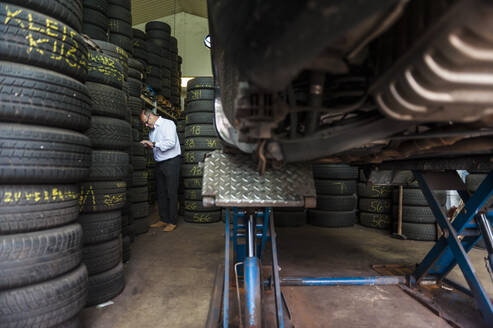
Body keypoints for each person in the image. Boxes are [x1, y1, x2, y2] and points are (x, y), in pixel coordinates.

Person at [140, 109, 181, 232]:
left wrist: (153, 144)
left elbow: (170, 143)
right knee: (161, 193)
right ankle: (163, 219)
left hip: (171, 162)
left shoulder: (168, 124)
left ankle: (172, 221)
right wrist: (150, 146)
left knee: (171, 192)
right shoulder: (152, 131)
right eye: (145, 124)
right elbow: (156, 146)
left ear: (151, 116)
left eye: (146, 122)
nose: (146, 125)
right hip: (160, 163)